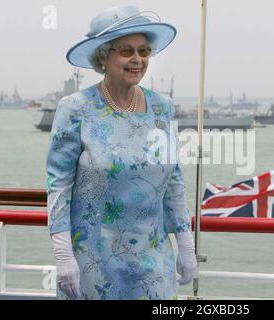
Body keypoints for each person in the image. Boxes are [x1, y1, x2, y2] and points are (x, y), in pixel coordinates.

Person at [46, 5, 197, 300]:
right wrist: (63, 255)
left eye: (144, 51)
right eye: (126, 51)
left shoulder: (161, 108)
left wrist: (186, 245)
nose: (137, 59)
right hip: (93, 263)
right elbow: (58, 185)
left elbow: (173, 181)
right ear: (103, 56)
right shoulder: (75, 108)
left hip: (154, 262)